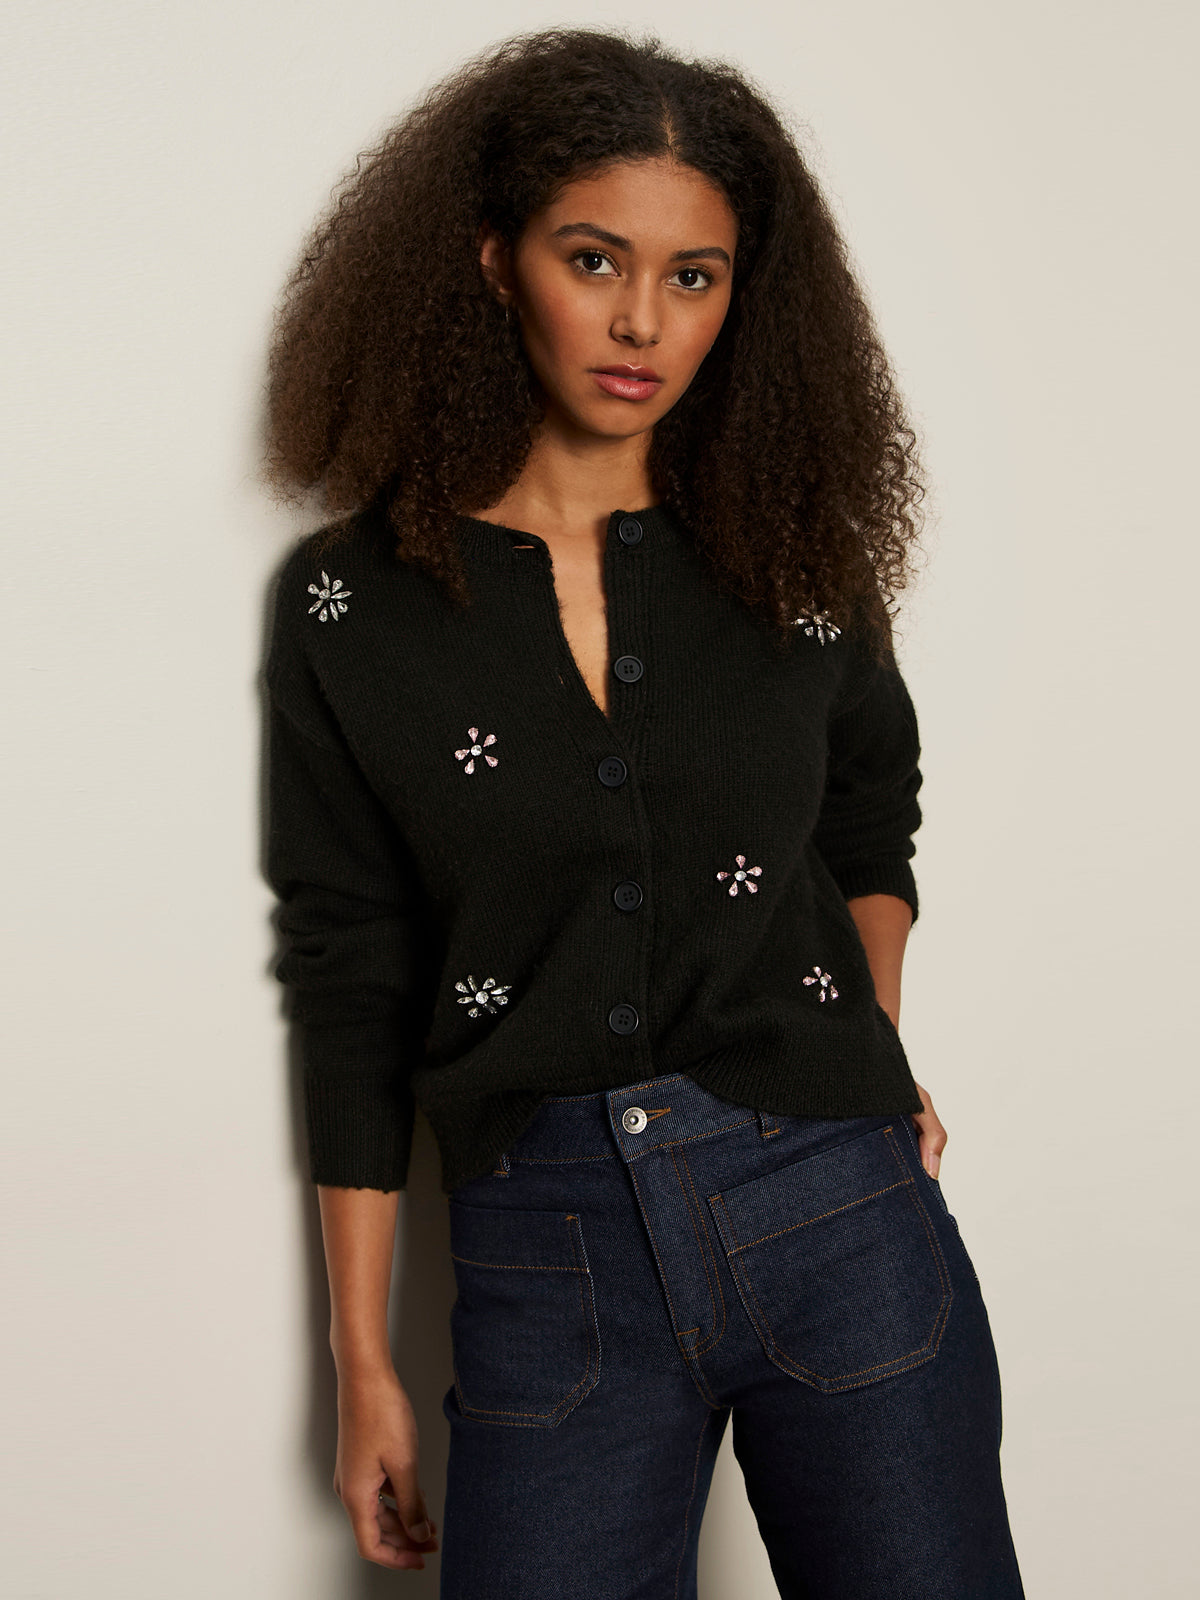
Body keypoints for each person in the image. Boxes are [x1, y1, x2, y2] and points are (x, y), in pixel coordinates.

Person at [261, 26, 1024, 1598]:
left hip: (841, 1209)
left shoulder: (795, 552)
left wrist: (871, 1051)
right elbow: (353, 970)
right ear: (492, 261)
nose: (641, 321)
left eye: (696, 276)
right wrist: (363, 1364)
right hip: (550, 1257)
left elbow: (871, 818)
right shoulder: (357, 602)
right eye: (594, 258)